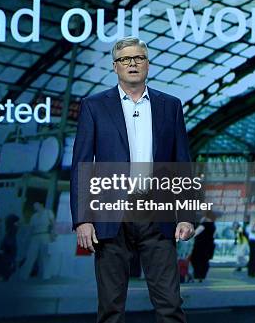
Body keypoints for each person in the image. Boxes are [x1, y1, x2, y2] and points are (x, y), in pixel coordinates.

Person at [70, 36, 195, 323]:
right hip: (109, 216)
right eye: (125, 59)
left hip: (157, 215)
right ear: (115, 67)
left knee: (170, 306)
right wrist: (83, 218)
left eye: (138, 58)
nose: (132, 64)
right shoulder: (94, 106)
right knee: (111, 308)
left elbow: (182, 163)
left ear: (148, 64)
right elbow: (81, 164)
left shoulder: (170, 106)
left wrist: (186, 215)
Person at [18, 201, 55, 280]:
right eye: (34, 206)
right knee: (30, 255)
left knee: (45, 256)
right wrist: (26, 237)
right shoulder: (34, 216)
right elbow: (31, 228)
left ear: (41, 205)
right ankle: (24, 275)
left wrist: (53, 234)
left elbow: (53, 224)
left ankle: (47, 275)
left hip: (45, 235)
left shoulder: (48, 212)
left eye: (36, 205)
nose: (35, 207)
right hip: (35, 236)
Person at [190, 211, 216, 282]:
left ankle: (198, 275)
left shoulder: (205, 224)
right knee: (204, 261)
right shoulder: (213, 225)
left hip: (200, 246)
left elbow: (198, 231)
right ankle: (202, 275)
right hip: (209, 246)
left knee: (196, 260)